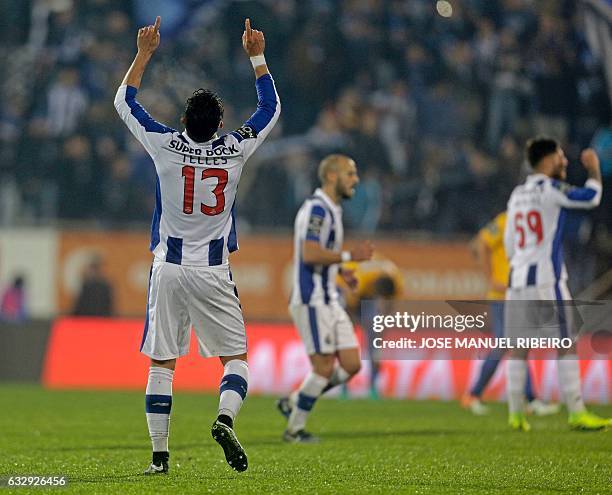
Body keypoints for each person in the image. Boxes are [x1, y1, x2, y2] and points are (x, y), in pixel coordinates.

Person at [114, 17, 280, 473]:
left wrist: (144, 53)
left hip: (167, 267)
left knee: (163, 363)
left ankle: (160, 459)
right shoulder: (236, 148)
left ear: (184, 120)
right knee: (236, 359)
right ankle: (225, 419)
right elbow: (270, 110)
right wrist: (256, 56)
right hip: (212, 270)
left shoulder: (165, 144)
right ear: (221, 123)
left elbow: (124, 102)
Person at [504, 137, 610, 431]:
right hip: (547, 279)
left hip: (517, 278)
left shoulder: (517, 195)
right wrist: (594, 170)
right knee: (566, 341)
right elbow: (591, 197)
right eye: (561, 156)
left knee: (519, 346)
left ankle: (515, 414)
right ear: (548, 159)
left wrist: (521, 263)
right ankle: (577, 411)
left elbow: (509, 243)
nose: (565, 161)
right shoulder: (551, 189)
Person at [277, 154, 374, 442]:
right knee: (323, 368)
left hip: (330, 298)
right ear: (332, 176)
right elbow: (309, 253)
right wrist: (349, 256)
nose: (355, 180)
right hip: (312, 299)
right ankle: (294, 429)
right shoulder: (318, 210)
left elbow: (323, 250)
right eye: (350, 174)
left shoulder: (331, 209)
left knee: (352, 364)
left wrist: (342, 270)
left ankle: (294, 400)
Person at [462, 212, 559, 416]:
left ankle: (528, 398)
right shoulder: (507, 220)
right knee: (507, 343)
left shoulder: (530, 222)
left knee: (516, 344)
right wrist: (491, 278)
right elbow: (480, 243)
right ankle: (474, 394)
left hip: (517, 293)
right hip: (502, 294)